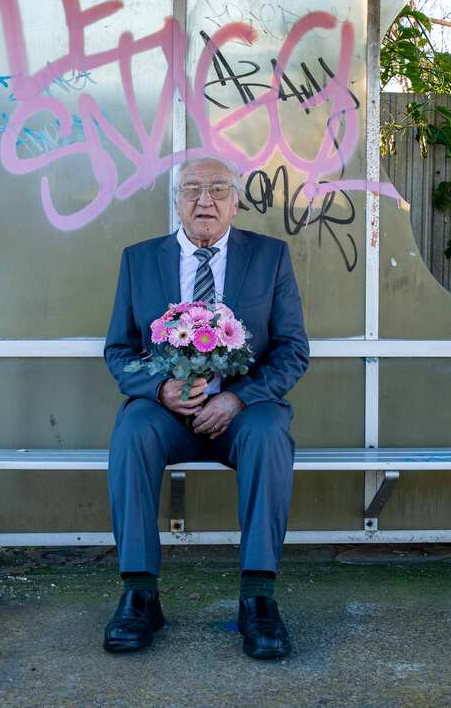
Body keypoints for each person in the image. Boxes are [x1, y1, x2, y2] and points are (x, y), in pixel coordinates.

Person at [102, 154, 311, 659]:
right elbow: (118, 350)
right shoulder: (139, 259)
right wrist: (159, 390)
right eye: (192, 189)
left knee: (268, 435)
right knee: (132, 430)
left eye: (218, 189)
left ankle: (258, 600)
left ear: (236, 202)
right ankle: (139, 593)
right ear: (176, 200)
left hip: (243, 413)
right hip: (167, 413)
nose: (204, 201)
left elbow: (292, 349)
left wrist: (238, 397)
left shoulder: (270, 257)